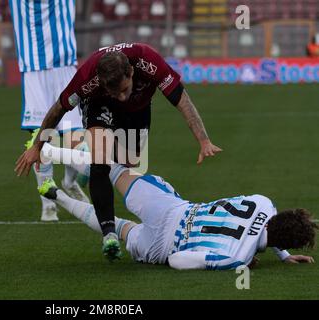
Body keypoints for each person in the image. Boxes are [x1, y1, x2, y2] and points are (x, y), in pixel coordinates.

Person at [15, 42, 222, 260]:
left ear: (131, 72)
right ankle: (109, 235)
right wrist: (37, 145)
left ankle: (64, 153)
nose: (121, 96)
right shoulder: (87, 78)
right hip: (99, 105)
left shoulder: (148, 61)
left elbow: (181, 99)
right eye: (115, 92)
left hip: (138, 108)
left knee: (127, 165)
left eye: (124, 89)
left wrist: (204, 140)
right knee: (100, 162)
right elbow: (58, 108)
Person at [36, 143, 316, 268]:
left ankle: (49, 151)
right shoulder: (236, 258)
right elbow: (176, 261)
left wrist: (282, 253)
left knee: (113, 170)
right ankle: (58, 196)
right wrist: (263, 258)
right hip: (163, 246)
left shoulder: (263, 203)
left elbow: (268, 224)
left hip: (171, 208)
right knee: (122, 229)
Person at [10, 0, 89, 222]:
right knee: (41, 139)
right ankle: (48, 203)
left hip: (64, 67)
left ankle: (70, 182)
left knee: (78, 142)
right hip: (34, 69)